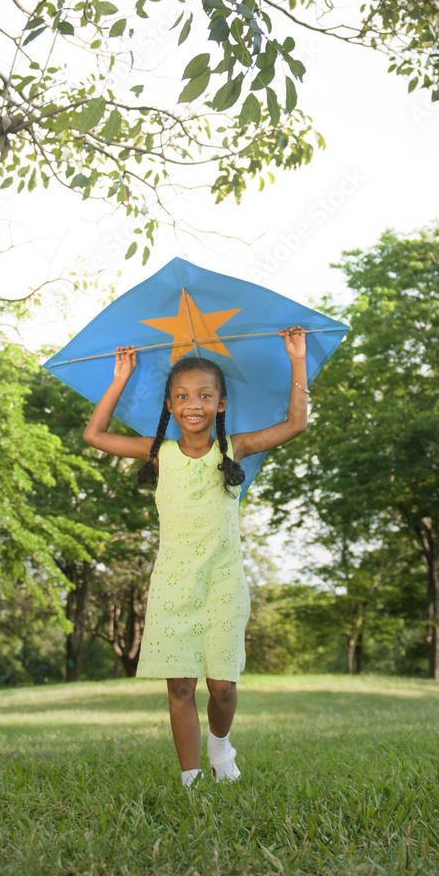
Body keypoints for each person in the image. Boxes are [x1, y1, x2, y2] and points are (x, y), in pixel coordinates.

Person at [83, 327, 309, 786]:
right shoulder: (159, 455)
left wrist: (297, 359)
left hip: (223, 584)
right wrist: (121, 377)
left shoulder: (234, 448)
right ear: (169, 405)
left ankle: (220, 745)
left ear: (220, 404)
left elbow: (294, 425)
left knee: (223, 688)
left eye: (205, 395)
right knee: (180, 687)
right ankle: (191, 781)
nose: (193, 404)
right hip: (172, 587)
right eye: (182, 395)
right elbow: (95, 434)